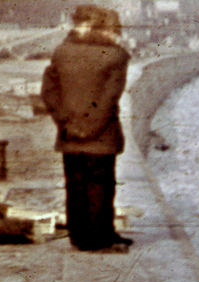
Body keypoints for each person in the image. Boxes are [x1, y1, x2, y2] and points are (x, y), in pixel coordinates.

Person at [41, 5, 131, 253]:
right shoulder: (116, 56)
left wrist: (66, 122)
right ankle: (100, 238)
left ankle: (80, 237)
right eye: (115, 31)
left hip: (70, 134)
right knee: (101, 185)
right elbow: (108, 99)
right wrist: (91, 128)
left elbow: (49, 92)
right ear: (105, 30)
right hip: (100, 135)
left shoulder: (61, 52)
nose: (117, 36)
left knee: (76, 185)